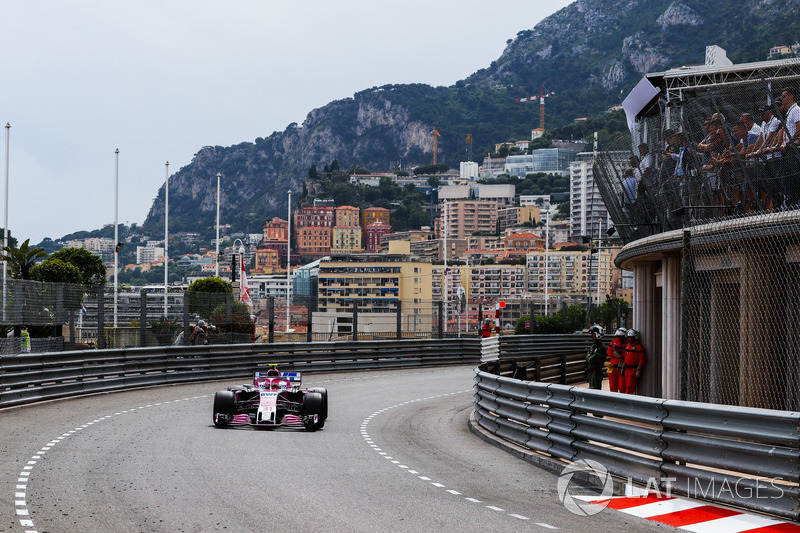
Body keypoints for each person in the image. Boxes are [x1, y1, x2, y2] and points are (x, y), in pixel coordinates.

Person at [621, 328, 646, 394]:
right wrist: (623, 367)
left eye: (631, 337)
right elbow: (626, 358)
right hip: (627, 369)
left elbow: (641, 360)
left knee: (630, 387)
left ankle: (627, 401)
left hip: (633, 370)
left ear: (635, 337)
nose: (630, 339)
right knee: (626, 386)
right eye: (629, 337)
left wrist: (639, 370)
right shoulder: (628, 346)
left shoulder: (639, 348)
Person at [605, 327, 627, 393]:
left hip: (622, 368)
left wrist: (618, 352)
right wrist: (621, 354)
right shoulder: (614, 342)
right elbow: (609, 353)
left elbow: (628, 355)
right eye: (619, 336)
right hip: (613, 367)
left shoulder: (628, 343)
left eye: (621, 337)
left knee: (622, 387)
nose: (620, 338)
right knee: (612, 386)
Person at [585, 325, 606, 390]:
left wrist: (589, 355)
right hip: (591, 372)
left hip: (596, 373)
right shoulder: (594, 345)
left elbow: (590, 360)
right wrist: (589, 355)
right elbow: (587, 358)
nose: (592, 336)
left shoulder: (601, 347)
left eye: (593, 334)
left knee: (595, 391)